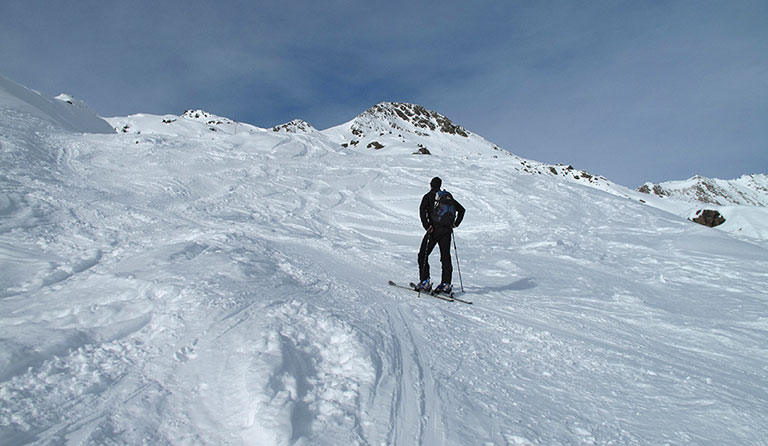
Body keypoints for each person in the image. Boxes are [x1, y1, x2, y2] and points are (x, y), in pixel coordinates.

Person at [416, 177, 465, 293]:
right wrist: (455, 223)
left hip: (434, 230)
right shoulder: (446, 197)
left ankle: (425, 282)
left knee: (423, 255)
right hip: (447, 231)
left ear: (430, 185)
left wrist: (427, 226)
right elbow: (462, 210)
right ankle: (446, 284)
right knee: (445, 257)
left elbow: (422, 211)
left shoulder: (428, 197)